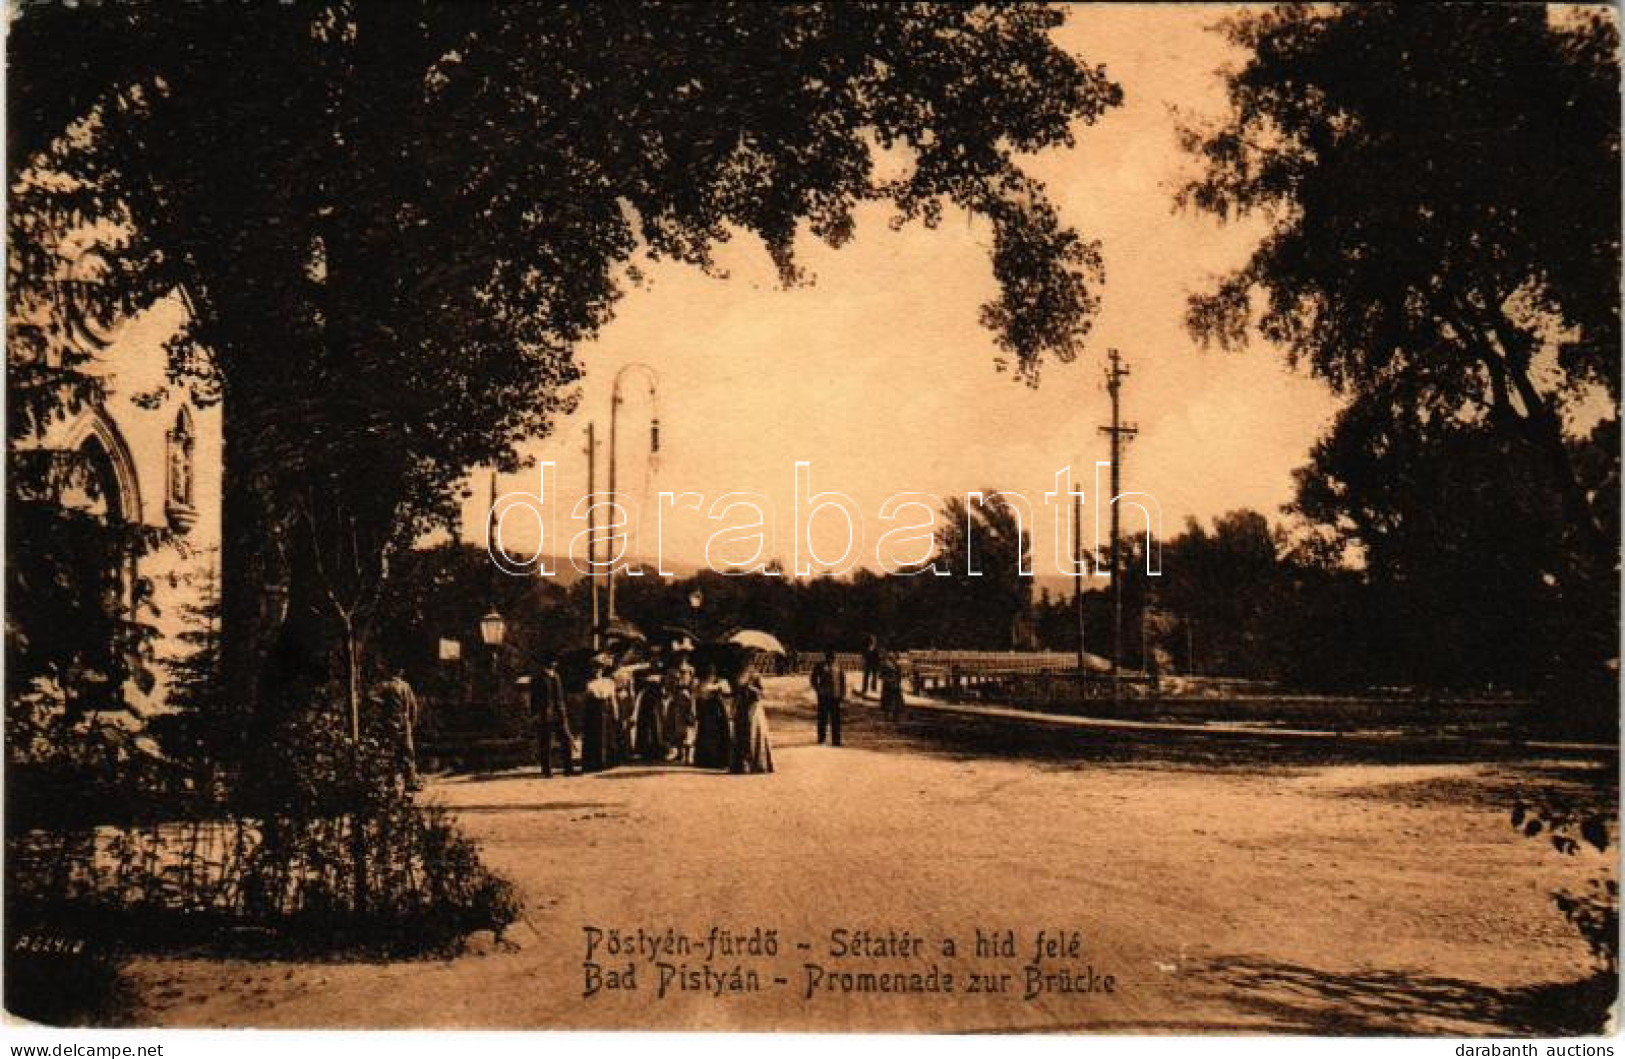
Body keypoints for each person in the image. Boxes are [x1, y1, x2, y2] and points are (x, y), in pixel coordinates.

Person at [375, 669, 422, 789]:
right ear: (400, 673)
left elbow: (373, 700)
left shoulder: (383, 686)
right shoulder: (405, 686)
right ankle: (410, 781)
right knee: (407, 752)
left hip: (389, 722)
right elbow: (413, 706)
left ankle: (390, 780)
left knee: (389, 751)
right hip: (404, 722)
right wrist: (412, 722)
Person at [531, 658, 574, 778]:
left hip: (559, 712)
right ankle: (547, 770)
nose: (554, 664)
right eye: (552, 662)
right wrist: (535, 714)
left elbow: (561, 696)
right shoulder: (538, 678)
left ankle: (568, 768)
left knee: (565, 739)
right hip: (545, 713)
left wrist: (563, 710)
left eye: (555, 662)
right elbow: (534, 698)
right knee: (546, 742)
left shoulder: (557, 676)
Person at [731, 670, 775, 774]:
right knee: (741, 734)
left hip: (754, 709)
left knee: (753, 735)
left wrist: (751, 688)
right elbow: (735, 694)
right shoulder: (737, 675)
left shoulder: (755, 675)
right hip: (741, 709)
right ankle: (742, 765)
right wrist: (734, 707)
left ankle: (756, 764)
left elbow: (763, 693)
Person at [580, 654, 618, 773]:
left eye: (599, 669)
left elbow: (613, 699)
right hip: (593, 713)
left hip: (606, 712)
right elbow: (585, 702)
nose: (597, 671)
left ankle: (607, 762)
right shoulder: (589, 684)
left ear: (603, 670)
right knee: (594, 737)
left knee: (607, 736)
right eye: (595, 669)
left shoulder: (608, 682)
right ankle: (593, 763)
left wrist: (616, 712)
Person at [693, 663, 733, 769]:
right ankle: (707, 759)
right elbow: (700, 693)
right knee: (707, 735)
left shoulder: (721, 681)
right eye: (709, 672)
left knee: (719, 735)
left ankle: (719, 760)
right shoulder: (701, 682)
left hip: (718, 712)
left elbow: (728, 693)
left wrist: (719, 689)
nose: (711, 674)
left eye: (712, 672)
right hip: (707, 712)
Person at [663, 647, 698, 764]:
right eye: (681, 655)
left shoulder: (691, 670)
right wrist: (675, 682)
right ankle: (676, 751)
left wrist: (690, 692)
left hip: (687, 699)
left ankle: (687, 754)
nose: (683, 658)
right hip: (676, 699)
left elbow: (693, 686)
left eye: (685, 655)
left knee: (688, 725)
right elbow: (668, 687)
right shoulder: (672, 671)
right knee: (675, 725)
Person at [809, 649, 847, 747]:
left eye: (833, 657)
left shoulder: (838, 666)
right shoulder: (820, 665)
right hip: (824, 696)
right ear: (826, 657)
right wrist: (818, 690)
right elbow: (813, 679)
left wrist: (843, 694)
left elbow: (842, 680)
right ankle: (822, 739)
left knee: (836, 719)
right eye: (830, 656)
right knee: (823, 718)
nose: (832, 658)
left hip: (835, 696)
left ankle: (836, 740)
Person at [879, 650, 905, 721]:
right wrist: (887, 679)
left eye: (894, 654)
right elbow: (881, 675)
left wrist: (898, 682)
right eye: (891, 654)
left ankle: (895, 716)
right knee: (887, 701)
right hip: (888, 685)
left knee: (897, 701)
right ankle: (887, 716)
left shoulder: (897, 665)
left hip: (895, 685)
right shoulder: (884, 664)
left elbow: (899, 675)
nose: (893, 655)